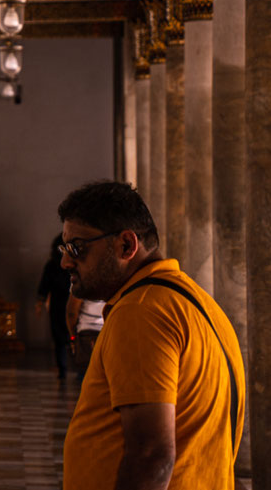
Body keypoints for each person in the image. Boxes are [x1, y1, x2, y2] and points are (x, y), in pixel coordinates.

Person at [58, 181, 245, 490]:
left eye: (78, 248)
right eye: (65, 249)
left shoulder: (141, 312)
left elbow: (151, 456)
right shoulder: (193, 301)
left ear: (126, 246)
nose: (66, 261)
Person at [36, 235, 71, 380]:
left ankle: (62, 369)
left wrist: (40, 302)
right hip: (71, 303)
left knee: (59, 339)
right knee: (72, 335)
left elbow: (44, 285)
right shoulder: (74, 264)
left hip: (57, 304)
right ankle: (80, 369)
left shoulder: (52, 264)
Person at [66, 295, 105, 384]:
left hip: (86, 333)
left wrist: (72, 336)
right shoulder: (115, 281)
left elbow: (71, 312)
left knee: (85, 373)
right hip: (107, 331)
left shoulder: (82, 282)